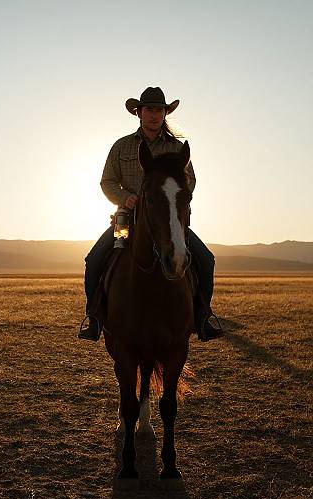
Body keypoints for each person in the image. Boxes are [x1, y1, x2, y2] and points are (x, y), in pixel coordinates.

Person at [78, 86, 224, 342]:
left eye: (160, 110)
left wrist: (170, 201)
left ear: (165, 113)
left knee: (206, 260)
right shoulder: (122, 147)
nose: (154, 115)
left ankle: (202, 316)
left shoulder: (177, 149)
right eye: (149, 110)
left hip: (168, 222)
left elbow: (189, 182)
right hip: (126, 220)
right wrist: (126, 198)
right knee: (94, 261)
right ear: (139, 113)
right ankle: (95, 317)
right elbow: (107, 182)